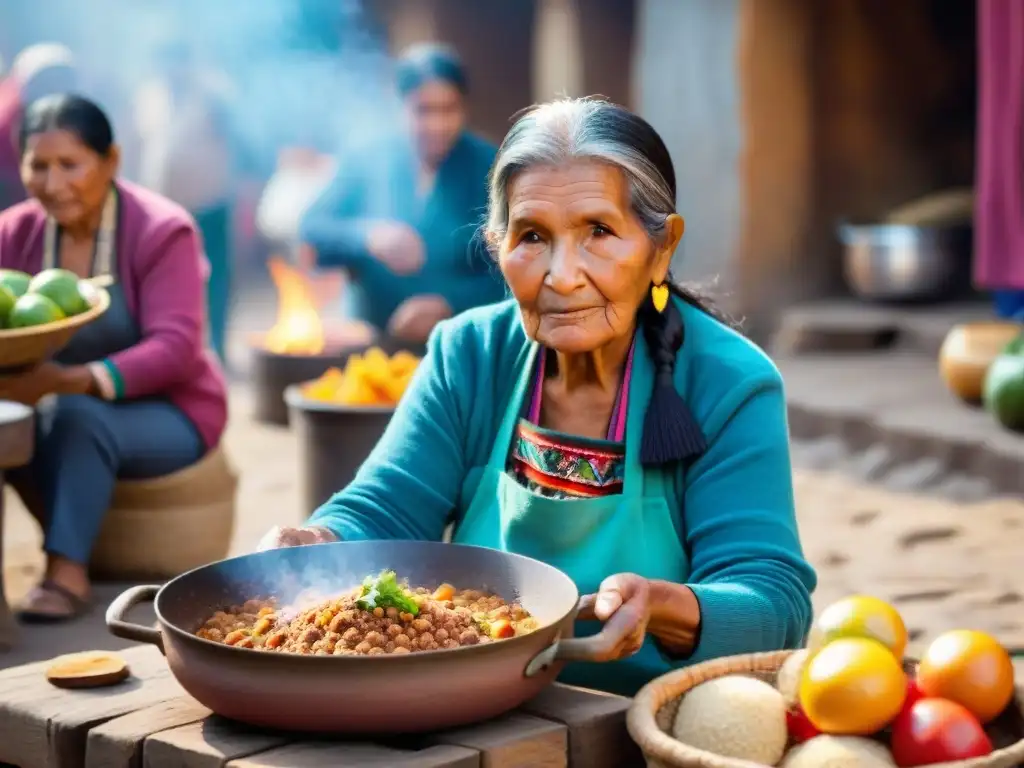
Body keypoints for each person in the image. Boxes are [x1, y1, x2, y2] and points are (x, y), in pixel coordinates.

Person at [260, 97, 817, 696]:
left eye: (599, 232)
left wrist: (661, 604)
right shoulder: (468, 355)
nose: (563, 274)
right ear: (498, 246)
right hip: (479, 703)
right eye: (532, 237)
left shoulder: (728, 382)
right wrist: (315, 543)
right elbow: (385, 511)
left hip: (652, 717)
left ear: (662, 248)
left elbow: (772, 603)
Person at [0, 95, 228, 621]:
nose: (53, 184)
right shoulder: (14, 232)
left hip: (173, 411)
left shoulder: (163, 229)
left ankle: (66, 572)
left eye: (70, 165)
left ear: (112, 161)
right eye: (38, 165)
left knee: (77, 416)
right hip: (55, 401)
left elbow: (176, 348)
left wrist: (69, 381)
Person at [299, 43, 506, 346]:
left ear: (464, 108)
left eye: (448, 110)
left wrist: (450, 304)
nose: (436, 125)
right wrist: (368, 236)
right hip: (372, 343)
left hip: (459, 346)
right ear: (399, 106)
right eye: (423, 110)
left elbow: (516, 271)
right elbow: (312, 227)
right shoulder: (368, 159)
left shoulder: (489, 167)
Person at [130, 40, 237, 364]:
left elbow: (236, 139)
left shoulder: (215, 93)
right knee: (170, 277)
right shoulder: (149, 96)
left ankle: (218, 347)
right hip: (166, 205)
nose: (170, 70)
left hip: (210, 199)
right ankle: (176, 347)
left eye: (175, 62)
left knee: (216, 277)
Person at [0, 43, 78, 211]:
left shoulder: (68, 117)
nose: (54, 87)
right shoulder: (9, 118)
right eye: (46, 81)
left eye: (61, 79)